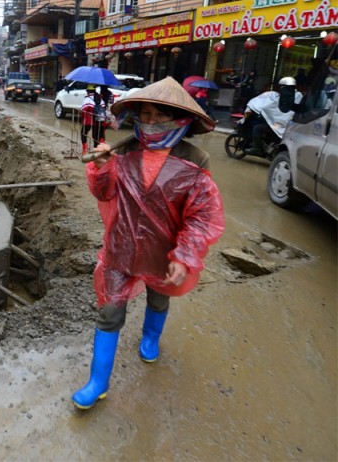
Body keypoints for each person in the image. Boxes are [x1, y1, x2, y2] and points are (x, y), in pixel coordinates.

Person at [72, 76, 225, 410]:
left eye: (159, 115)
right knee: (109, 312)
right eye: (145, 114)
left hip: (162, 252)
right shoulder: (123, 150)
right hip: (121, 247)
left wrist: (184, 255)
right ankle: (98, 382)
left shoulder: (195, 159)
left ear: (179, 118)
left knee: (159, 300)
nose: (151, 122)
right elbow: (104, 193)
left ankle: (151, 338)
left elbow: (202, 216)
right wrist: (101, 169)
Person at [245, 77, 299, 156]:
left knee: (257, 128)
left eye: (282, 87)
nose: (280, 88)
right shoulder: (298, 95)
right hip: (287, 124)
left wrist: (261, 110)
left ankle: (257, 148)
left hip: (279, 124)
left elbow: (270, 107)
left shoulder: (284, 96)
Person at [80, 85, 108, 154]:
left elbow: (83, 110)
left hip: (88, 121)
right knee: (96, 136)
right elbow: (104, 109)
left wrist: (82, 119)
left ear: (88, 91)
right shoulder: (101, 99)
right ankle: (97, 150)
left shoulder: (87, 99)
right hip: (99, 120)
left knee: (83, 133)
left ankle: (84, 149)